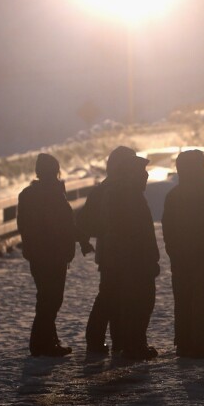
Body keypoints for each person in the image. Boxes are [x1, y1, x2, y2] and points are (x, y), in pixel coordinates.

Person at [17, 153, 88, 357]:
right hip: (54, 255)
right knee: (52, 299)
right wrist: (81, 239)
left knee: (46, 298)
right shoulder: (54, 195)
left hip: (37, 255)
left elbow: (23, 225)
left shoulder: (27, 194)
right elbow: (65, 224)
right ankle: (40, 344)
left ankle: (48, 342)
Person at [162, 149, 204, 359]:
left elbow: (168, 228)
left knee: (183, 299)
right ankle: (200, 343)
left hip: (181, 258)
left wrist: (173, 251)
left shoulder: (174, 195)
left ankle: (183, 342)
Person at [77, 145, 136, 354]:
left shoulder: (103, 188)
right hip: (114, 252)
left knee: (111, 296)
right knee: (111, 297)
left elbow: (83, 220)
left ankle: (106, 339)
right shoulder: (116, 189)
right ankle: (99, 339)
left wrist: (85, 241)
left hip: (108, 252)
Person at [105, 150, 160, 360]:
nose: (145, 175)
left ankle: (134, 343)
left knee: (136, 303)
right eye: (142, 171)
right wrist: (147, 258)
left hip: (132, 261)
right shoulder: (130, 197)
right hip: (135, 262)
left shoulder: (125, 195)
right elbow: (136, 233)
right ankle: (134, 345)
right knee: (139, 303)